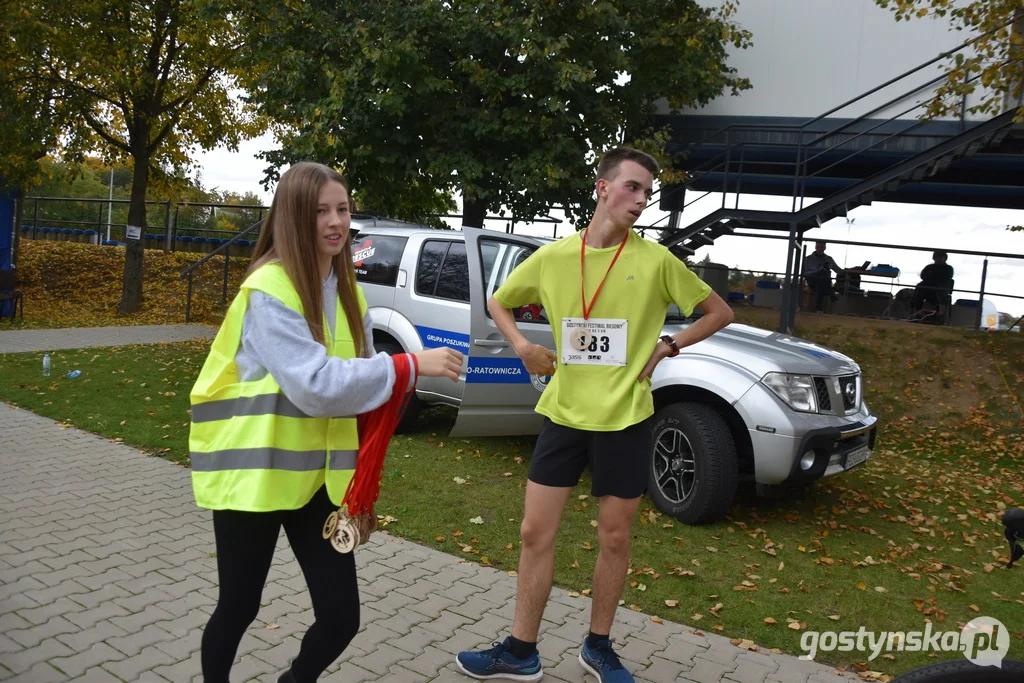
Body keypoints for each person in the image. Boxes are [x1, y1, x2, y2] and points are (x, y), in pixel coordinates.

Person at [456, 147, 734, 683]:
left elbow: (719, 312)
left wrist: (668, 347)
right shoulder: (556, 257)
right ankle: (520, 650)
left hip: (626, 417)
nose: (641, 200)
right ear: (603, 188)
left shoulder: (654, 261)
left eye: (648, 194)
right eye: (632, 187)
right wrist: (520, 345)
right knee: (535, 533)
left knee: (614, 538)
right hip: (563, 414)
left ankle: (598, 647)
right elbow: (499, 301)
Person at [189, 162, 463, 683]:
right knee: (239, 608)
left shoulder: (346, 289)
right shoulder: (269, 289)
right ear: (294, 217)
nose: (336, 222)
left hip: (317, 480)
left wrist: (365, 472)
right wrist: (407, 365)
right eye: (321, 212)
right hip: (256, 479)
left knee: (341, 617)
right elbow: (315, 385)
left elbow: (358, 377)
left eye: (342, 209)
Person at [802, 240, 844, 312]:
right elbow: (804, 273)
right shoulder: (808, 259)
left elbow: (838, 270)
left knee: (822, 280)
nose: (820, 248)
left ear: (825, 248)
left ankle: (818, 307)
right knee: (822, 275)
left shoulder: (829, 259)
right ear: (815, 247)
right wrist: (819, 270)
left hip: (824, 282)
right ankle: (831, 294)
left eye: (822, 247)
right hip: (812, 280)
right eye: (819, 246)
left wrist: (847, 271)